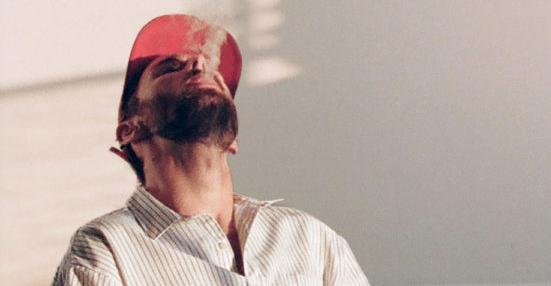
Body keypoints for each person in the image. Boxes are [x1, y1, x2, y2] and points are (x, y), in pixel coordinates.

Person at [53, 14, 368, 285]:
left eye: (212, 70)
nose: (199, 64)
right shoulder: (107, 249)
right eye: (170, 68)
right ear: (130, 130)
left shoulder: (311, 239)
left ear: (232, 139)